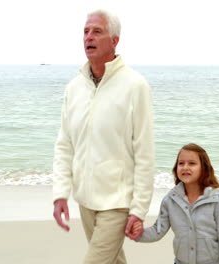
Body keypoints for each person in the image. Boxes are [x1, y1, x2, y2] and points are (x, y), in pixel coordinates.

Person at [52, 9, 156, 264]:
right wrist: (60, 193)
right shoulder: (74, 88)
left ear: (114, 40)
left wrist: (139, 209)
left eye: (97, 31)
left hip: (118, 201)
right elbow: (65, 145)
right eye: (86, 31)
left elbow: (145, 152)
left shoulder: (135, 85)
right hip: (85, 200)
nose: (89, 37)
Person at [132, 143, 219, 264]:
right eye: (181, 163)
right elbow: (157, 232)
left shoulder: (217, 199)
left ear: (204, 168)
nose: (185, 167)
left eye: (192, 163)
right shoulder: (170, 200)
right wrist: (138, 233)